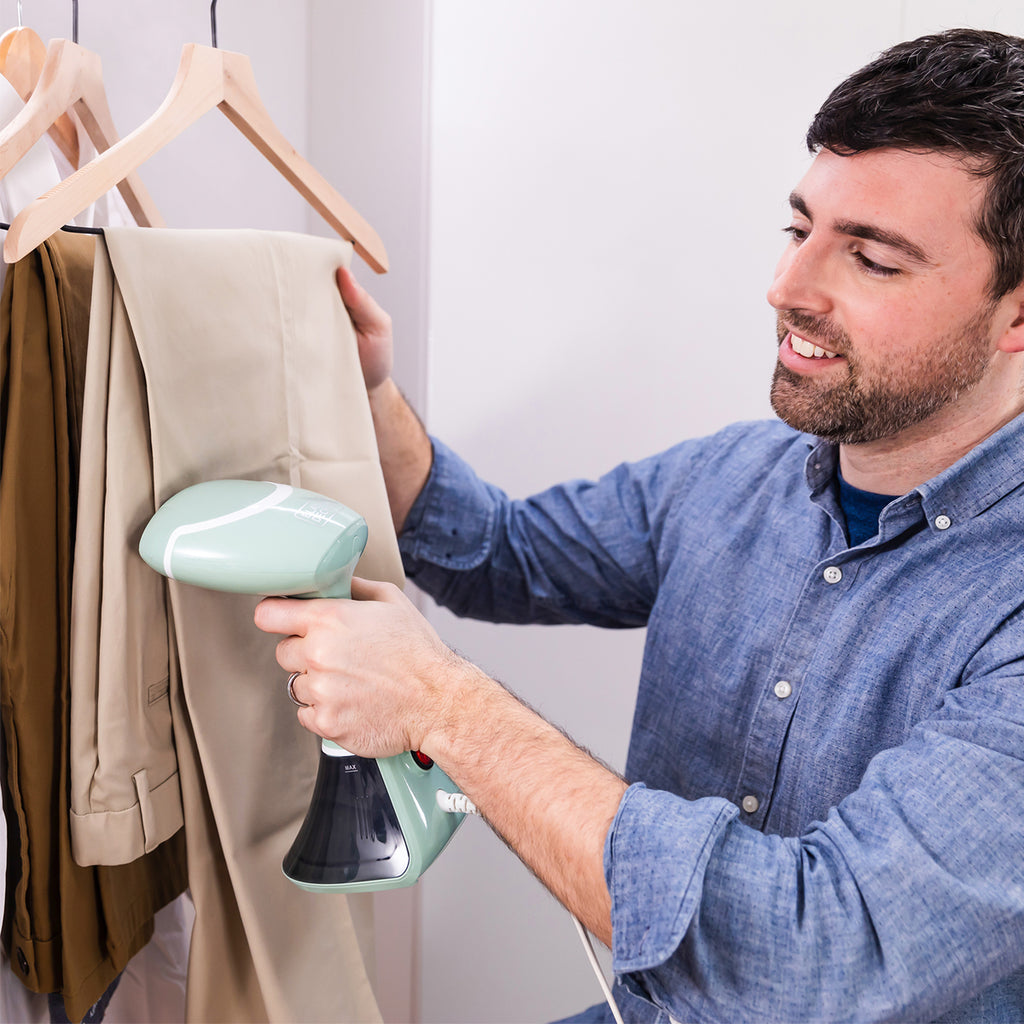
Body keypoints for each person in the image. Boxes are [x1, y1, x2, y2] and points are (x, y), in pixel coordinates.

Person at [255, 27, 1024, 1023]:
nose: (787, 289)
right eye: (800, 230)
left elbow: (812, 963)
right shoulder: (731, 478)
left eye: (871, 259)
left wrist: (444, 705)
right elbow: (497, 553)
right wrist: (368, 394)